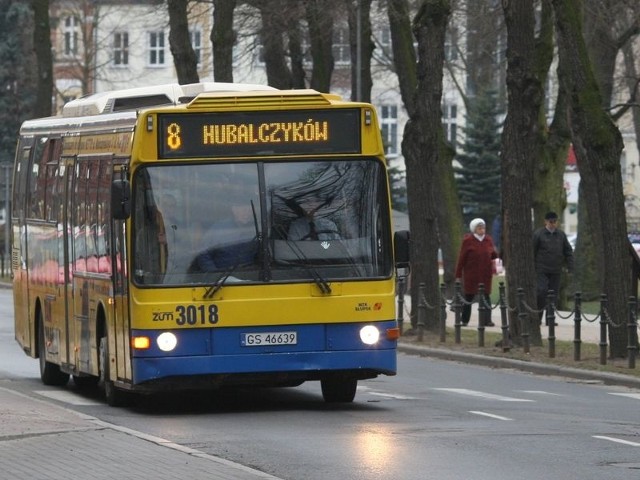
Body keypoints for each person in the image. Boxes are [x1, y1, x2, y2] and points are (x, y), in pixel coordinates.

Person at [455, 218, 498, 326]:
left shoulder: (488, 239)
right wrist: (458, 274)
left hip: (485, 274)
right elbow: (462, 258)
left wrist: (496, 257)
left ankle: (487, 320)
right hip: (471, 274)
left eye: (483, 228)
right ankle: (464, 320)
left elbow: (493, 254)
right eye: (479, 228)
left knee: (486, 297)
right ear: (474, 229)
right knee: (468, 297)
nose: (482, 230)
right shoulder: (468, 240)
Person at [193, 201, 258, 272]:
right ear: (234, 210)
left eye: (249, 210)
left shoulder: (257, 229)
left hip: (250, 278)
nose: (246, 213)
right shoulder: (219, 228)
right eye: (243, 210)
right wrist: (214, 274)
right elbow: (203, 254)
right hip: (222, 279)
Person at [533, 211, 574, 325]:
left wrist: (570, 266)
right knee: (541, 292)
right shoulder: (539, 234)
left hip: (556, 269)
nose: (553, 224)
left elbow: (568, 251)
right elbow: (533, 251)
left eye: (555, 221)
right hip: (541, 268)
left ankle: (550, 318)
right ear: (545, 222)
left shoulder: (561, 235)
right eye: (550, 222)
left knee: (553, 295)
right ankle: (538, 317)